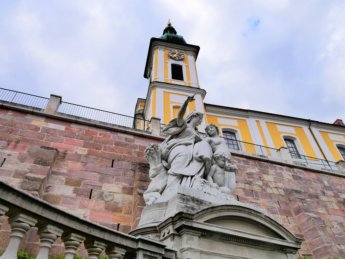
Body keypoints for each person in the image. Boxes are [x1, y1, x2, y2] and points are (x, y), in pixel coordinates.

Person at [159, 95, 212, 191]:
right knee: (180, 160)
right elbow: (180, 115)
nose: (200, 122)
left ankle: (187, 185)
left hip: (189, 151)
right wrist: (186, 102)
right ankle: (170, 189)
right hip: (178, 148)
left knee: (197, 159)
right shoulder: (184, 125)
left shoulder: (196, 134)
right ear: (194, 117)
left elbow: (204, 143)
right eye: (200, 119)